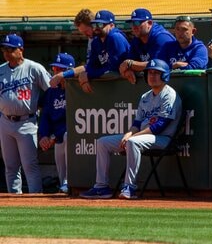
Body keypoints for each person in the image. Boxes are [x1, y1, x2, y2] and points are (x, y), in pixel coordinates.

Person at [80, 59, 182, 200]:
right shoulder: (145, 96)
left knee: (132, 142)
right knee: (103, 142)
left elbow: (159, 127)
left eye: (157, 73)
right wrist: (128, 134)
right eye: (150, 73)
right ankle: (101, 186)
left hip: (163, 139)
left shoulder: (169, 95)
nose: (152, 76)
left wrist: (131, 137)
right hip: (143, 136)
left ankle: (130, 187)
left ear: (165, 76)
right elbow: (137, 123)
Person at [0, 34, 50, 194]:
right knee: (10, 166)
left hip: (27, 121)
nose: (7, 52)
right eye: (4, 49)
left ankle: (36, 199)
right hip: (5, 122)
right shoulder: (1, 70)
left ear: (21, 49)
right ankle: (14, 201)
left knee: (29, 164)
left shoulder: (34, 68)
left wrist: (44, 110)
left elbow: (50, 90)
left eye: (11, 49)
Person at [54, 10, 130, 94]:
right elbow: (90, 66)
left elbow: (114, 68)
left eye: (86, 31)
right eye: (95, 24)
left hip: (127, 86)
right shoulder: (96, 42)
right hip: (113, 89)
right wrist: (82, 74)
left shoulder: (114, 37)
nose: (85, 35)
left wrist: (88, 75)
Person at [40, 52, 74, 194]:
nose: (56, 72)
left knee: (66, 136)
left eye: (60, 69)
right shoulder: (51, 92)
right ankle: (63, 184)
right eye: (55, 69)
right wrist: (44, 136)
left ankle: (68, 182)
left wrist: (53, 137)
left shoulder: (76, 90)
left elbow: (73, 120)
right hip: (56, 137)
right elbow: (45, 115)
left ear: (68, 71)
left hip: (69, 135)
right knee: (61, 141)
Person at [118, 8, 177, 84]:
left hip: (172, 81)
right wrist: (128, 70)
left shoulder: (162, 38)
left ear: (149, 23)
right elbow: (127, 63)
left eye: (137, 23)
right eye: (132, 23)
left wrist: (130, 64)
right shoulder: (137, 39)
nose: (134, 27)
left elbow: (156, 65)